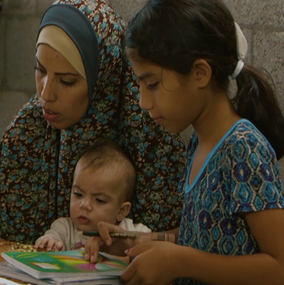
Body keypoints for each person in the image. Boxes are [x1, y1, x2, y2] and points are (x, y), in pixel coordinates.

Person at [0, 0, 186, 245]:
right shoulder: (28, 131)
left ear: (103, 82)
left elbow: (176, 247)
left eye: (67, 80)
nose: (45, 94)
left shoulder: (150, 139)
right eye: (41, 70)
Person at [86, 0, 284, 284]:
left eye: (151, 84)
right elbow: (204, 233)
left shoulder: (243, 147)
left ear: (200, 73)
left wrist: (181, 262)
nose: (142, 102)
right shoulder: (198, 143)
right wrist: (137, 241)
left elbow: (280, 267)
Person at [34, 139, 151, 251]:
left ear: (121, 211)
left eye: (99, 200)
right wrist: (48, 243)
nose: (84, 205)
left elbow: (152, 250)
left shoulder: (133, 232)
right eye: (78, 194)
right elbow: (52, 237)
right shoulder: (64, 229)